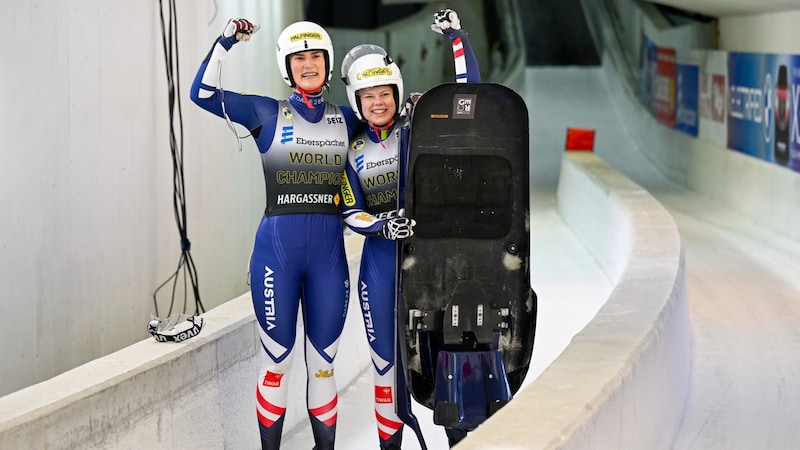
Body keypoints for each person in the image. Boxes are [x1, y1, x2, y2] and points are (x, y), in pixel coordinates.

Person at [189, 18, 363, 450]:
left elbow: (386, 121)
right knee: (277, 365)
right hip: (276, 259)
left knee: (323, 367)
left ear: (327, 64)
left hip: (327, 259)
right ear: (287, 67)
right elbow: (202, 94)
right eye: (299, 58)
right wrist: (226, 42)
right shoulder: (266, 112)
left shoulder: (347, 118)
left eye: (316, 57)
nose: (309, 65)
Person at [339, 9, 480, 450]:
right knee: (387, 367)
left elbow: (468, 97)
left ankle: (460, 438)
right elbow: (350, 211)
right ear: (357, 102)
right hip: (382, 265)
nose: (378, 102)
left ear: (397, 92)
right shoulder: (352, 148)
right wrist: (383, 225)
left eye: (385, 93)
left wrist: (458, 38)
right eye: (368, 96)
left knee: (446, 349)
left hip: (434, 261)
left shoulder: (422, 122)